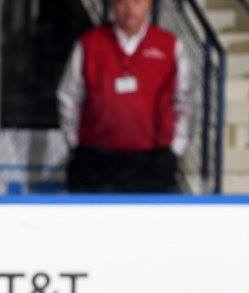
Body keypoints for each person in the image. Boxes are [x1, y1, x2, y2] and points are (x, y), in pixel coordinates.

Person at [57, 0, 191, 192]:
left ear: (149, 4)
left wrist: (176, 148)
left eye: (137, 2)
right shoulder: (88, 44)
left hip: (152, 164)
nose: (129, 8)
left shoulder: (170, 46)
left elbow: (185, 101)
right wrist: (75, 143)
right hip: (96, 163)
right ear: (112, 4)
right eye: (122, 2)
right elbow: (69, 96)